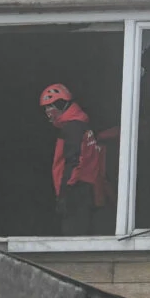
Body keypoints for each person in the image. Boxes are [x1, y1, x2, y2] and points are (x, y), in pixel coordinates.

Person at [39, 84, 118, 236]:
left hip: (77, 191)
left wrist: (64, 194)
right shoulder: (82, 124)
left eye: (49, 107)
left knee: (71, 236)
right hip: (89, 189)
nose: (47, 112)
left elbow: (73, 161)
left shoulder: (72, 128)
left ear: (61, 105)